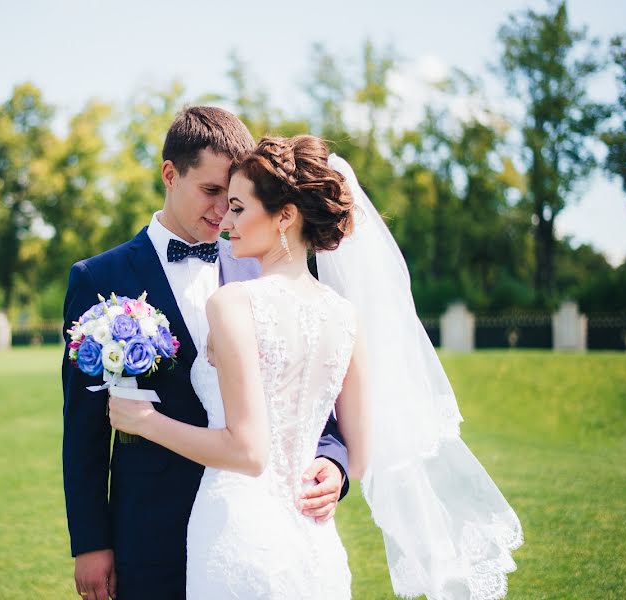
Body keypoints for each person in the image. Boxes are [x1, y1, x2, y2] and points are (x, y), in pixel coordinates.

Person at [110, 135, 523, 599]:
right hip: (313, 539)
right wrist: (332, 467)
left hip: (238, 532)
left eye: (239, 208)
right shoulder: (346, 316)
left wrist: (144, 421)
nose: (226, 222)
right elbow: (360, 457)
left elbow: (247, 453)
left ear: (285, 216)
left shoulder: (232, 304)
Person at [62, 109, 351, 600]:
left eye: (234, 197)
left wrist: (334, 463)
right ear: (170, 174)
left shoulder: (263, 267)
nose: (223, 212)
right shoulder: (99, 279)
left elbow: (307, 391)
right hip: (150, 529)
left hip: (257, 526)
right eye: (211, 192)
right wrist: (90, 543)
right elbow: (83, 428)